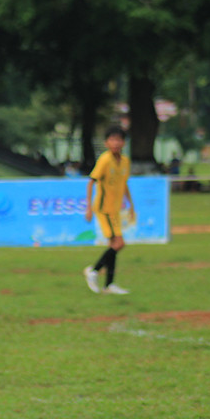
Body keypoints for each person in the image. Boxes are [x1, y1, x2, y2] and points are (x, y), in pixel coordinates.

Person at [83, 125, 135, 295]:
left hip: (115, 210)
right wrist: (89, 208)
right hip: (104, 209)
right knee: (119, 244)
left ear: (124, 142)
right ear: (106, 143)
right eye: (112, 139)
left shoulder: (125, 161)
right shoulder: (105, 160)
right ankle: (94, 270)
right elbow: (91, 181)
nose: (116, 143)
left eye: (119, 139)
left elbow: (124, 183)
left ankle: (108, 285)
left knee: (114, 246)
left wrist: (131, 206)